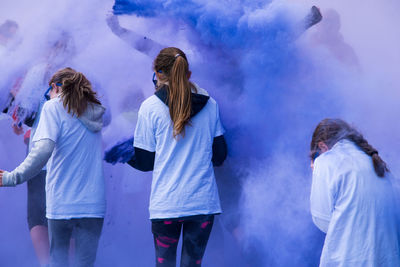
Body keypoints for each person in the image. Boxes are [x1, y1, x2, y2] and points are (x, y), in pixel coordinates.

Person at [126, 47, 227, 266]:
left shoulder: (149, 107)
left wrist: (125, 154)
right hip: (201, 204)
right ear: (188, 74)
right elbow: (220, 156)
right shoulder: (211, 105)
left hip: (166, 205)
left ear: (158, 74)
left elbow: (145, 162)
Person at [0, 67, 106, 267]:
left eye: (50, 90)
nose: (47, 95)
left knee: (52, 255)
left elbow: (42, 150)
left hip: (59, 196)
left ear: (57, 87)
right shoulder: (94, 110)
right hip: (93, 204)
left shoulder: (51, 103)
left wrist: (12, 177)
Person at [309, 118, 400, 266]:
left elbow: (323, 220)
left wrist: (317, 168)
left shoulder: (326, 161)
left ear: (322, 146)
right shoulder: (380, 166)